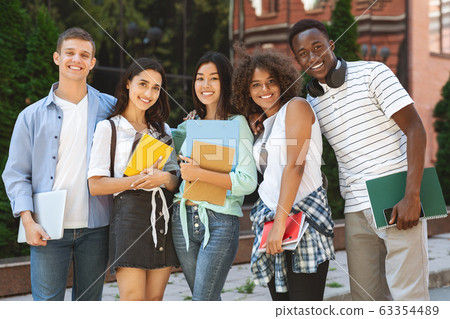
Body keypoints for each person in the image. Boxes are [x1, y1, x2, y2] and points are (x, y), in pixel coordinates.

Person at [288, 19, 428, 301]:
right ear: (298, 60)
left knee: (408, 297)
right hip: (355, 205)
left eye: (318, 47)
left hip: (395, 195)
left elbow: (416, 129)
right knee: (365, 300)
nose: (312, 57)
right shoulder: (312, 100)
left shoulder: (373, 73)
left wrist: (412, 196)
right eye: (304, 53)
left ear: (331, 44)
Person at [2, 27, 115, 301]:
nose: (76, 59)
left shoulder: (111, 107)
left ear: (92, 63)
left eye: (84, 55)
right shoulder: (30, 116)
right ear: (57, 57)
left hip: (96, 227)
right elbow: (16, 174)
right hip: (47, 227)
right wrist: (27, 221)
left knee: (88, 305)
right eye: (70, 53)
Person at [232, 49, 334, 301]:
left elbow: (295, 165)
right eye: (255, 84)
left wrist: (280, 223)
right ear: (247, 89)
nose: (263, 89)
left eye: (270, 82)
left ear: (283, 82)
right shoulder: (265, 126)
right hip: (270, 220)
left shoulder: (296, 107)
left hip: (301, 220)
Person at [87, 58, 179, 301]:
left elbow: (176, 183)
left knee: (155, 300)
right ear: (128, 83)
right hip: (128, 221)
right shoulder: (109, 128)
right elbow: (95, 185)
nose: (148, 93)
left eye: (156, 88)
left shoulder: (163, 130)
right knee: (133, 301)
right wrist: (136, 180)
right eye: (142, 84)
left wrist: (163, 178)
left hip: (162, 219)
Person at [171, 51, 257, 300]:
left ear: (225, 83)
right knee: (206, 298)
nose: (205, 85)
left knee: (202, 301)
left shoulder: (237, 123)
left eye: (214, 78)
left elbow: (247, 181)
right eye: (200, 78)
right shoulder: (189, 125)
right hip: (183, 220)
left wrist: (199, 173)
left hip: (220, 222)